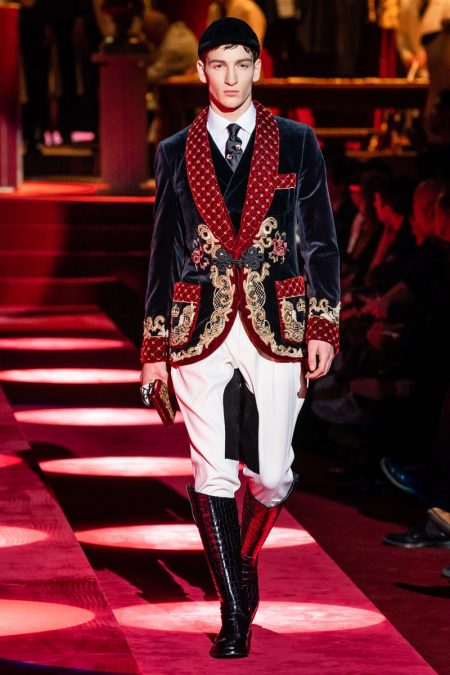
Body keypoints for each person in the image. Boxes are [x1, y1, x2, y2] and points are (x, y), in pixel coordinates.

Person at [140, 17, 340, 658]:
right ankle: (234, 611)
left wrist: (323, 323)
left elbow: (319, 238)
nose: (230, 78)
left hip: (276, 319)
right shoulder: (175, 150)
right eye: (218, 65)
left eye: (241, 64)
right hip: (196, 322)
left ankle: (242, 556)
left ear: (258, 67)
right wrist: (153, 350)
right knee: (213, 471)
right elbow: (163, 249)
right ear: (201, 71)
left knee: (273, 474)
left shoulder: (297, 142)